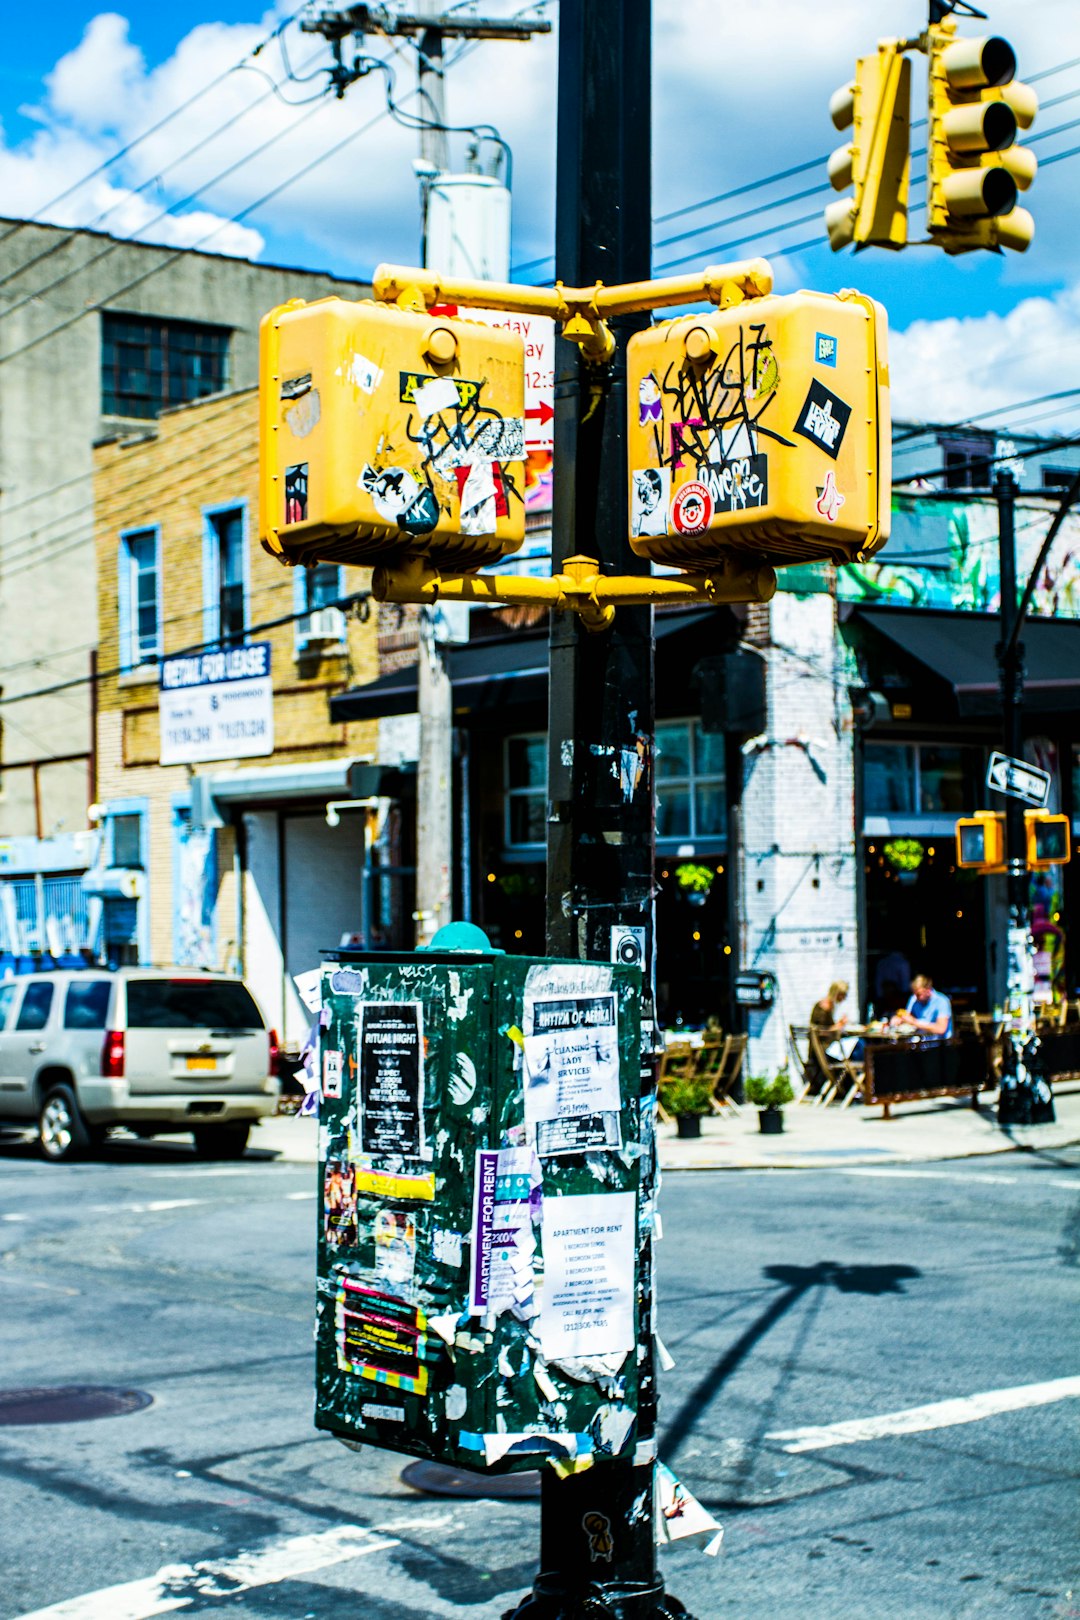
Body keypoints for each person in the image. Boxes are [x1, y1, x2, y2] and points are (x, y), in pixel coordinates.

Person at [892, 974, 953, 1042]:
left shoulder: (942, 1001)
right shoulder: (914, 999)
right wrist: (899, 1019)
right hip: (919, 1043)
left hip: (939, 1045)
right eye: (914, 993)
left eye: (919, 994)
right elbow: (908, 1016)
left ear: (928, 990)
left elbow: (941, 1029)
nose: (916, 997)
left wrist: (915, 1022)